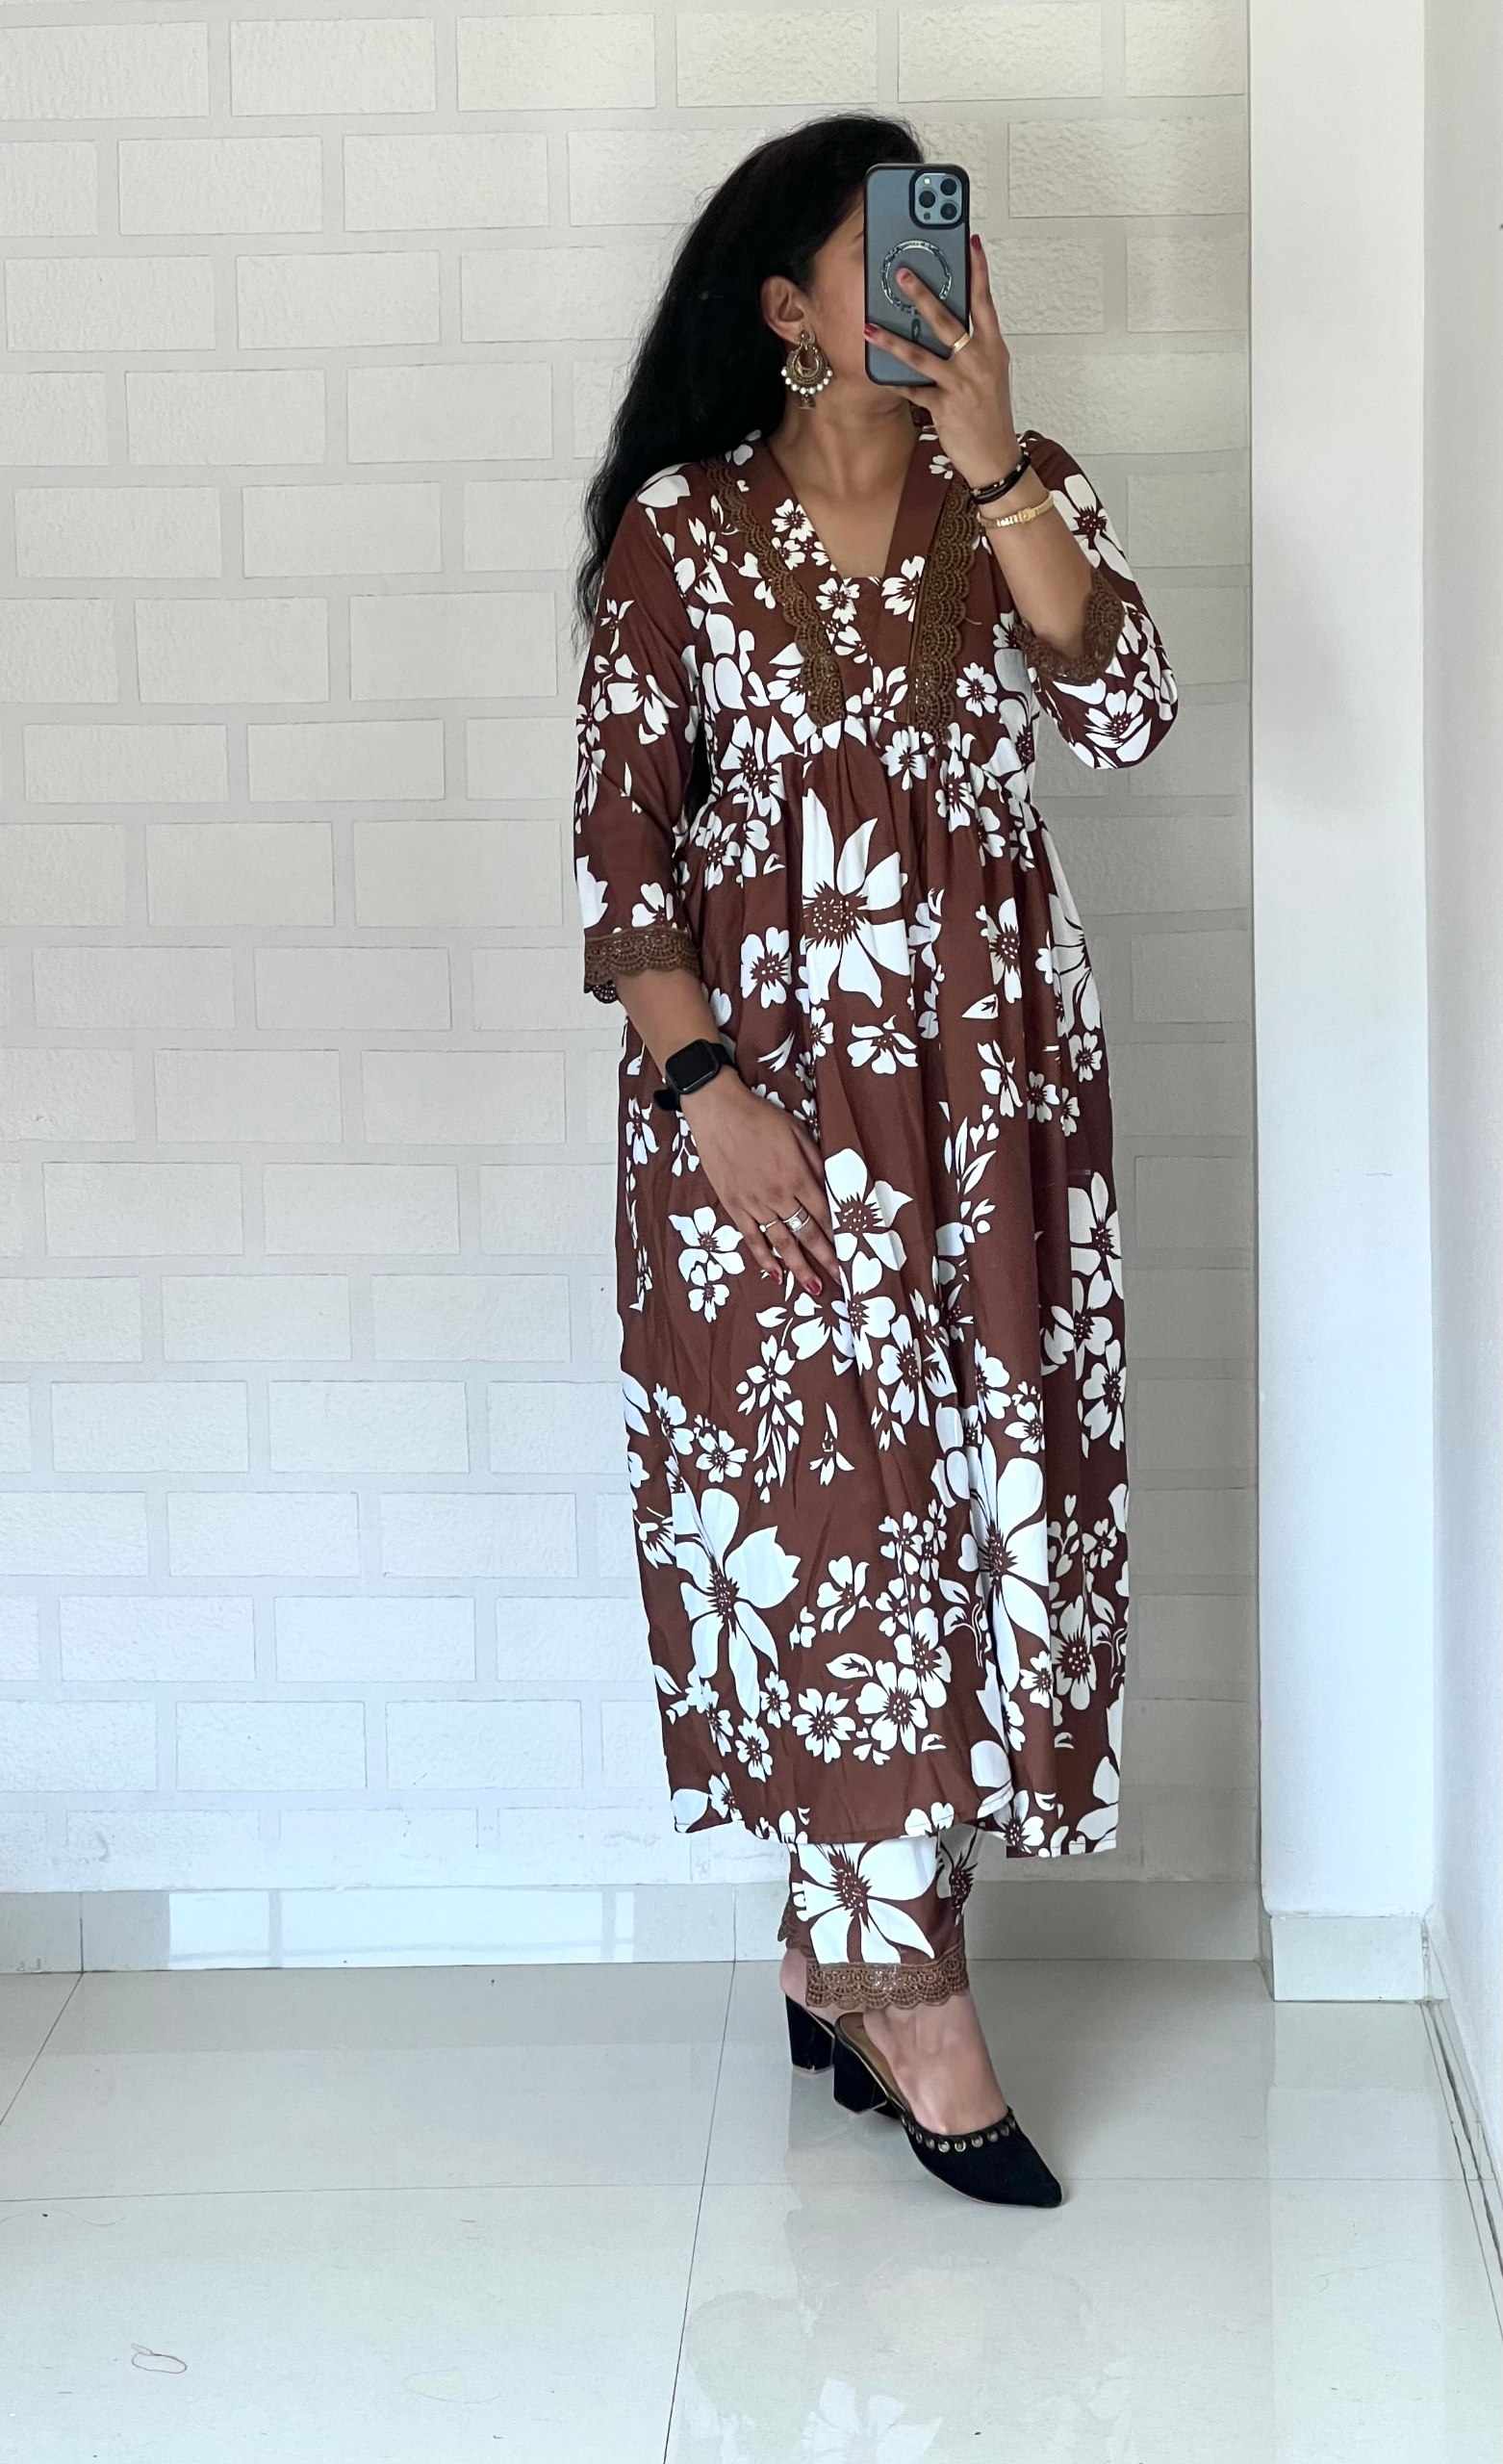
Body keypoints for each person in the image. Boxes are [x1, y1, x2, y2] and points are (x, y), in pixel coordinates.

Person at [570, 116, 1179, 2205]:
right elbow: (623, 862)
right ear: (784, 309)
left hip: (997, 1115)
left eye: (951, 251)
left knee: (972, 1523)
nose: (938, 283)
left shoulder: (1017, 489)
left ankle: (839, 1953)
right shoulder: (680, 532)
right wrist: (707, 1094)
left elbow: (1127, 713)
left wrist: (1000, 460)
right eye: (887, 257)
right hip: (764, 1116)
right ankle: (909, 1998)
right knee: (836, 1535)